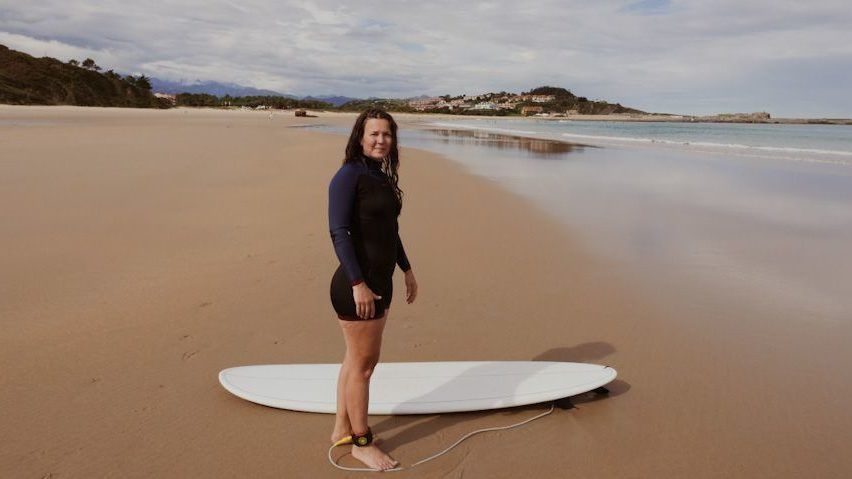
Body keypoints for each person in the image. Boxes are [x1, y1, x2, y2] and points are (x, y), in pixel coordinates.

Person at [328, 108, 418, 471]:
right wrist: (358, 284)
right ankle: (361, 443)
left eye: (387, 134)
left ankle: (340, 429)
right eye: (374, 134)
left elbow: (389, 232)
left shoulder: (379, 176)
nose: (381, 140)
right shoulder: (349, 175)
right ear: (360, 136)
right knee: (363, 368)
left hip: (382, 282)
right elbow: (338, 232)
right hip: (358, 287)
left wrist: (407, 269)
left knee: (356, 361)